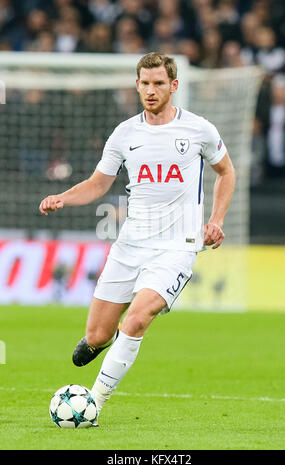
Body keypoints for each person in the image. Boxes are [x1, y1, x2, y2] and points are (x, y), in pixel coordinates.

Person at [39, 52, 235, 423]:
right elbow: (99, 183)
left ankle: (92, 404)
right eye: (144, 83)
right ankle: (103, 343)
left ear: (174, 86)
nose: (150, 90)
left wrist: (216, 219)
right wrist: (64, 197)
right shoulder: (125, 133)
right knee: (97, 336)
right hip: (130, 246)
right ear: (136, 85)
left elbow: (226, 172)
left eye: (159, 83)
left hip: (177, 248)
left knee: (138, 320)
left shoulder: (198, 130)